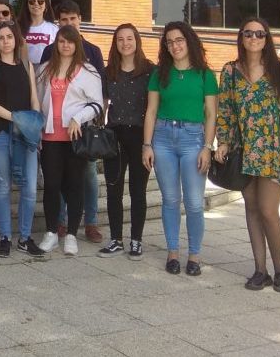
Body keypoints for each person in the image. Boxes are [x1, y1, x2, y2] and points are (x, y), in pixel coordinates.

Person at [213, 18, 280, 291]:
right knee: (251, 209)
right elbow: (225, 110)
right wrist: (222, 142)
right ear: (241, 37)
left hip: (274, 148)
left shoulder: (279, 70)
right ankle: (261, 270)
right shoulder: (230, 71)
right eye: (248, 33)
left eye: (260, 33)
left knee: (269, 210)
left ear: (267, 38)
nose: (254, 37)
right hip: (244, 149)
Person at [142, 21, 218, 276]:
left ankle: (194, 255)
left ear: (189, 41)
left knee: (195, 203)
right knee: (171, 200)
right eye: (169, 41)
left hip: (193, 140)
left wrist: (207, 147)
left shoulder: (205, 75)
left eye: (179, 40)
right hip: (162, 138)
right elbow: (151, 111)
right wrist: (147, 145)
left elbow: (211, 113)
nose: (174, 45)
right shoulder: (159, 74)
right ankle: (173, 252)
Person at [36, 25, 104, 255]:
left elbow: (97, 104)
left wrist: (78, 117)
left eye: (70, 41)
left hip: (75, 138)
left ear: (77, 45)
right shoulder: (45, 70)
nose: (65, 46)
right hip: (50, 137)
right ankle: (51, 233)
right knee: (52, 186)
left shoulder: (88, 71)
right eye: (62, 41)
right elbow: (36, 102)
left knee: (75, 186)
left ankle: (72, 235)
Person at [0, 21, 44, 258]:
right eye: (1, 38)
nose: (5, 41)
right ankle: (6, 237)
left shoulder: (26, 65)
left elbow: (34, 99)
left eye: (9, 37)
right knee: (2, 186)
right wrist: (16, 118)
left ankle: (26, 237)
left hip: (26, 134)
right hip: (0, 132)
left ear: (16, 39)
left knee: (29, 187)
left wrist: (35, 123)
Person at [97, 24, 153, 261]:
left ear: (137, 41)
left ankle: (136, 240)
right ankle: (116, 239)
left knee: (138, 191)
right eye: (120, 39)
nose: (125, 43)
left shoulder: (150, 71)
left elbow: (154, 107)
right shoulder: (109, 72)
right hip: (114, 137)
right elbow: (102, 103)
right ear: (115, 43)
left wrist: (151, 143)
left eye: (129, 38)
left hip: (140, 136)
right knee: (113, 189)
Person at [18, 0, 56, 64]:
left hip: (47, 71)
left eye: (40, 1)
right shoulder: (17, 27)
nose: (36, 3)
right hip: (24, 70)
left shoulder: (53, 29)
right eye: (32, 1)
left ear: (46, 5)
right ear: (27, 5)